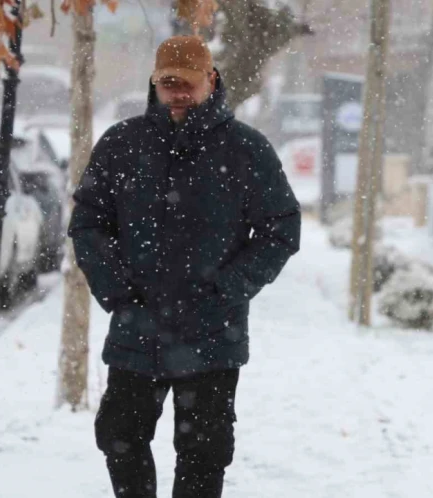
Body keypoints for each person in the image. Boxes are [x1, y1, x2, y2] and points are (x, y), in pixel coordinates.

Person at [68, 35, 301, 498]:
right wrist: (117, 291)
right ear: (154, 82)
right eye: (168, 83)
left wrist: (227, 290)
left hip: (213, 333)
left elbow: (281, 229)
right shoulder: (122, 143)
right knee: (120, 437)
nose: (178, 93)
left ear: (210, 80)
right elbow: (89, 223)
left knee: (205, 452)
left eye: (188, 83)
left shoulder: (245, 149)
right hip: (138, 327)